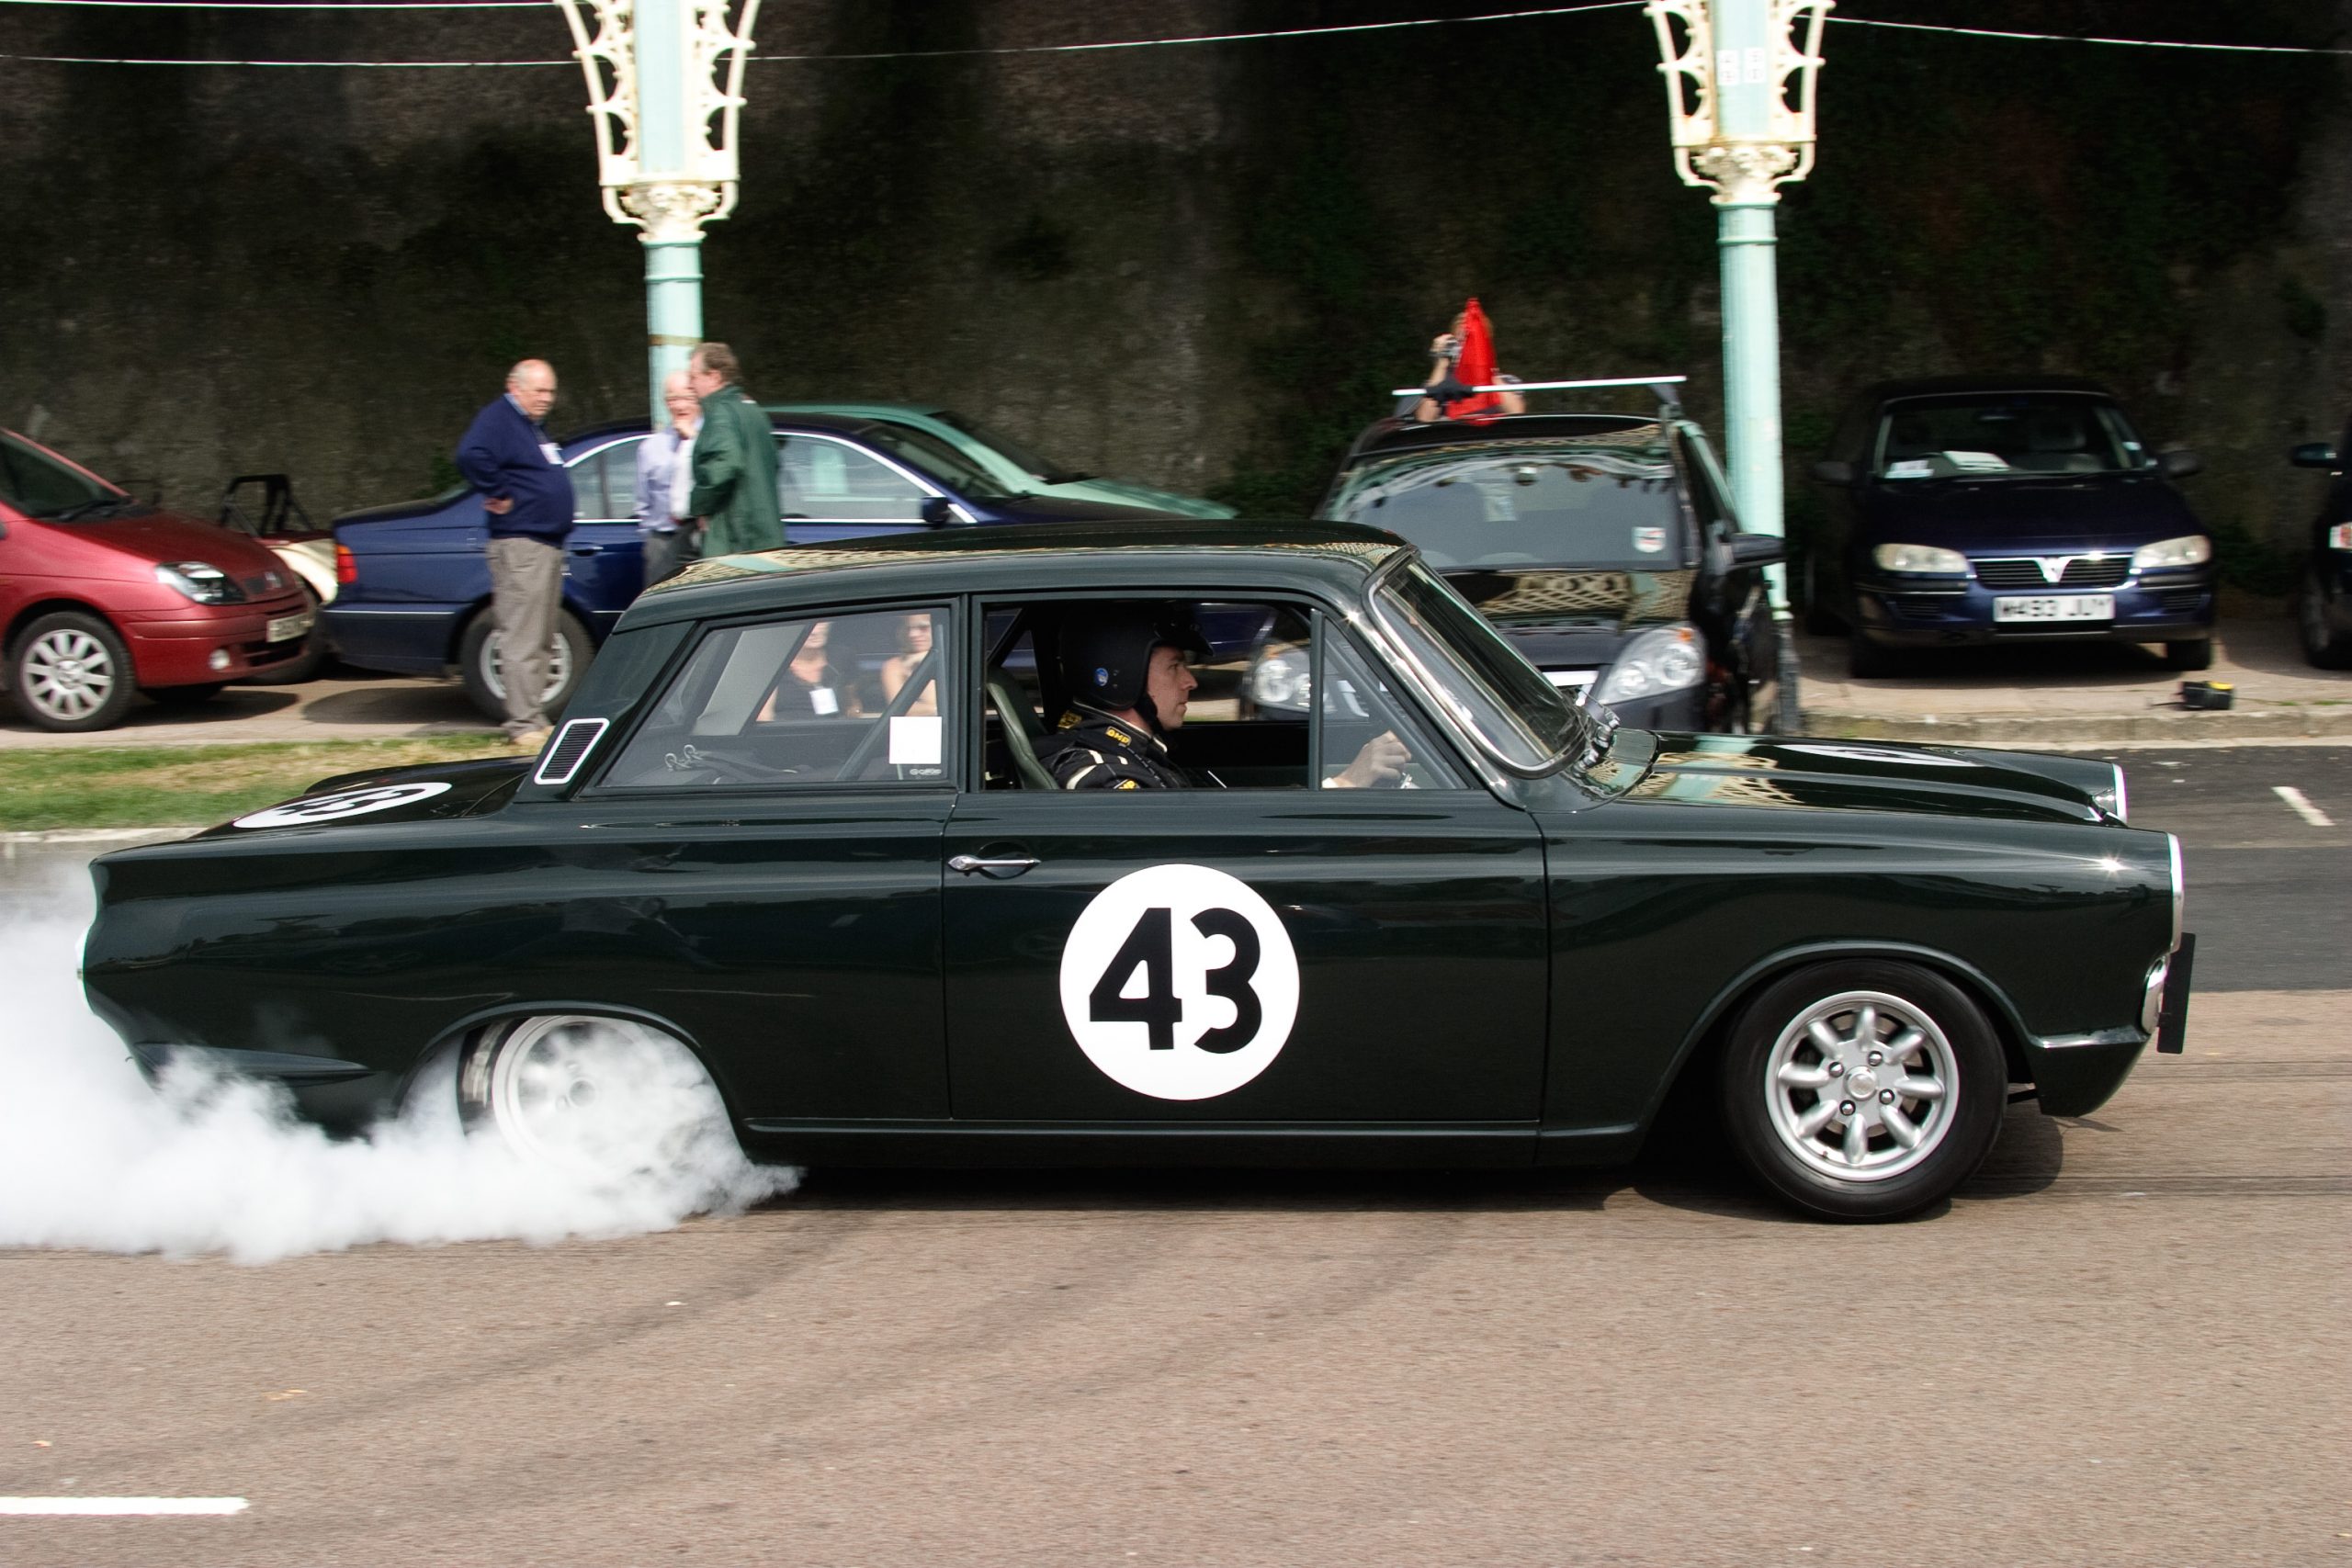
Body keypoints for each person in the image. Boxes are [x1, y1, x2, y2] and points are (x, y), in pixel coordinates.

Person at [1036, 605, 1411, 791]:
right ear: (1120, 674)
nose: (1190, 682)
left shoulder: (1139, 753)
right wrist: (1343, 785)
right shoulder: (1103, 774)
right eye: (1174, 667)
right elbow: (1190, 852)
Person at [455, 358, 574, 748]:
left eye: (550, 391)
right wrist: (499, 492)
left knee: (542, 637)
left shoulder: (530, 426)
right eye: (539, 390)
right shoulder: (499, 418)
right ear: (515, 387)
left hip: (545, 543)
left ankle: (535, 717)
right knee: (522, 637)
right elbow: (471, 455)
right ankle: (521, 724)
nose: (546, 398)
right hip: (521, 544)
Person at [684, 342, 785, 557]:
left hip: (735, 538)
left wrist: (700, 506)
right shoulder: (753, 410)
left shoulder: (722, 413)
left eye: (693, 377)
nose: (690, 385)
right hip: (762, 534)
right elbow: (774, 463)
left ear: (714, 376)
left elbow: (724, 466)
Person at [1405, 299, 1526, 423]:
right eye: (1461, 341)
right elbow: (1424, 418)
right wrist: (1442, 363)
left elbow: (1516, 413)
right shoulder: (1442, 383)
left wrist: (1487, 370)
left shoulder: (1508, 381)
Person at [635, 369, 701, 589]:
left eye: (688, 398)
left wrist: (693, 438)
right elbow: (644, 501)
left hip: (701, 539)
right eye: (673, 399)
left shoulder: (710, 439)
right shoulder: (650, 447)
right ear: (666, 403)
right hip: (663, 540)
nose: (680, 406)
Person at [880, 611, 938, 716]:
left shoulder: (957, 658)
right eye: (908, 629)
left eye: (923, 628)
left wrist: (931, 658)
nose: (913, 635)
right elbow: (900, 710)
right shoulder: (894, 666)